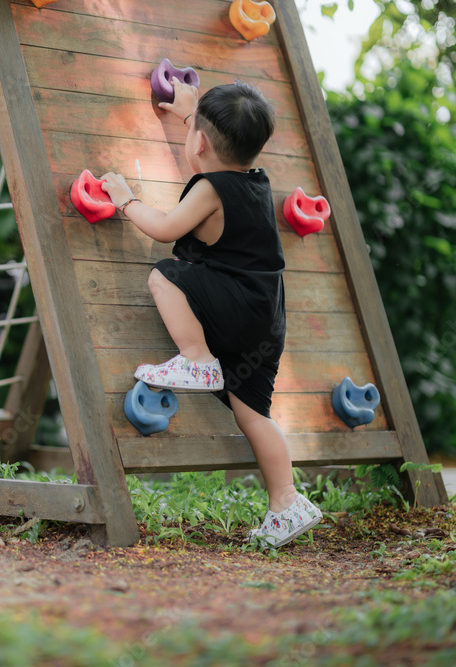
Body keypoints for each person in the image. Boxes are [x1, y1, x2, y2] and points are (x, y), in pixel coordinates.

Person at [100, 77, 321, 548]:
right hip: (266, 317)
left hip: (235, 306)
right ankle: (286, 502)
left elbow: (163, 228)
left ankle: (196, 356)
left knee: (165, 274)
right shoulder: (255, 183)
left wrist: (126, 200)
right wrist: (189, 113)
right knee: (254, 415)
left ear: (199, 142)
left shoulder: (210, 189)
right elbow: (216, 141)